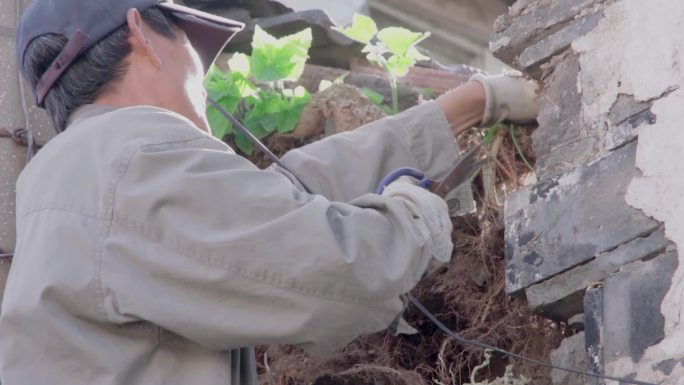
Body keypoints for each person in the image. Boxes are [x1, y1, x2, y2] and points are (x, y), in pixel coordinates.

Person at [0, 1, 539, 384]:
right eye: (191, 44)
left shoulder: (85, 172)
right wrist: (413, 211)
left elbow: (283, 192)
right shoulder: (130, 159)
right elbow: (339, 269)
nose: (202, 76)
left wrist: (471, 103)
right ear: (141, 33)